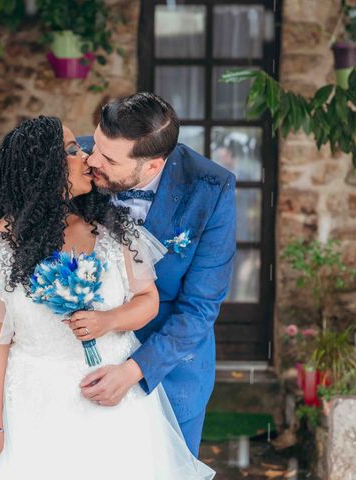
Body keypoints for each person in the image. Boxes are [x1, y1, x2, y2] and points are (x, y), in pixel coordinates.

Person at [0, 116, 215, 479]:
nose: (86, 156)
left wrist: (109, 320)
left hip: (117, 402)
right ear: (42, 170)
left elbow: (148, 299)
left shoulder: (113, 228)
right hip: (36, 406)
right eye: (71, 150)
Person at [77, 92, 236, 457]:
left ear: (151, 167)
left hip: (167, 370)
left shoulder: (210, 189)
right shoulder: (77, 161)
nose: (92, 159)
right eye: (95, 145)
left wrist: (134, 370)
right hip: (81, 364)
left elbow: (199, 307)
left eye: (108, 158)